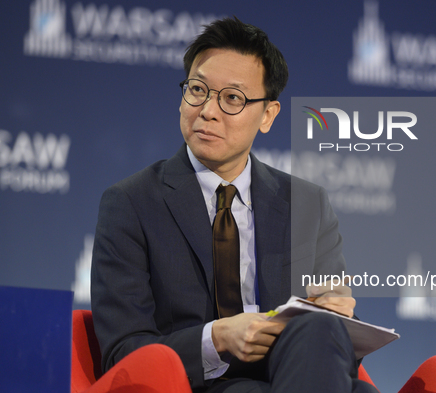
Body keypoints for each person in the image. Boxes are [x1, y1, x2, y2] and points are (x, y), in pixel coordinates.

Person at [91, 17, 373, 393]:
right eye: (198, 89)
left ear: (268, 115)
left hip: (299, 373)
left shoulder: (308, 204)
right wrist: (216, 339)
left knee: (330, 337)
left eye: (232, 98)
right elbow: (123, 354)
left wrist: (339, 316)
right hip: (198, 385)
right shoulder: (131, 203)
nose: (208, 110)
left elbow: (341, 352)